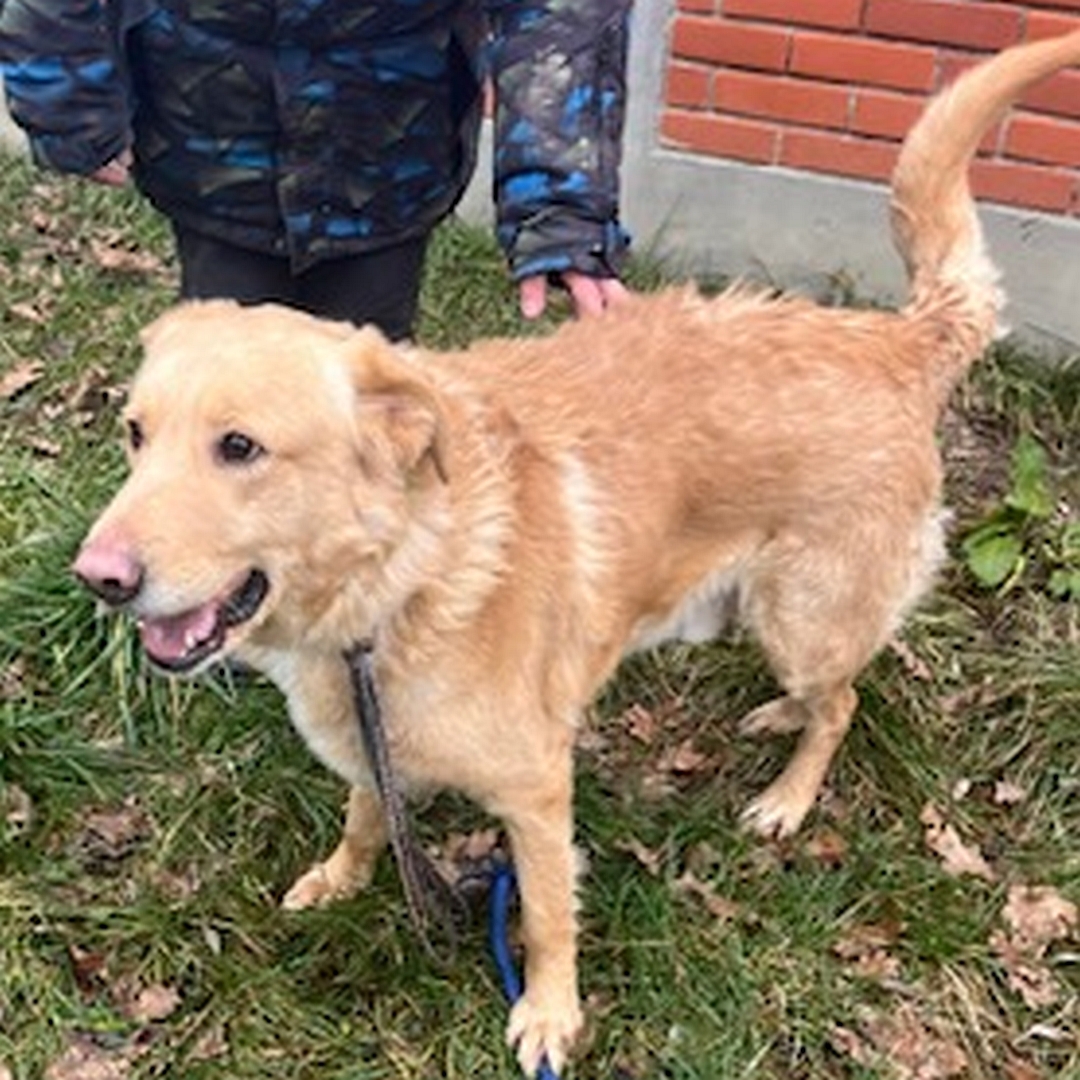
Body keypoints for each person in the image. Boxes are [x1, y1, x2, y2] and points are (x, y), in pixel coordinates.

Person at [0, 0, 631, 340]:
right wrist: (67, 101)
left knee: (365, 382)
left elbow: (557, 14)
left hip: (390, 148)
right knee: (227, 373)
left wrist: (560, 203)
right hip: (213, 137)